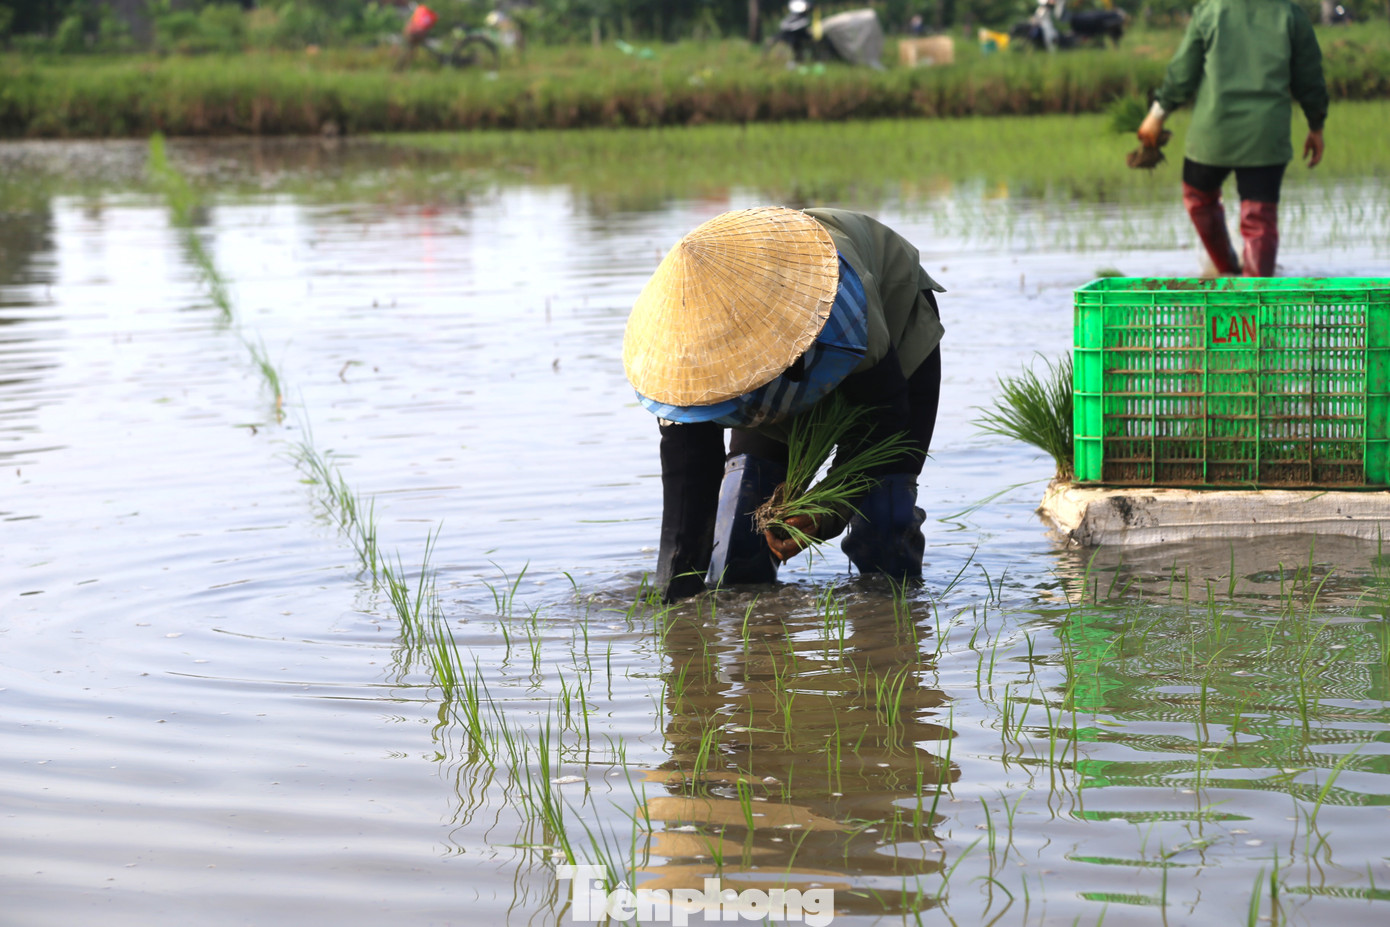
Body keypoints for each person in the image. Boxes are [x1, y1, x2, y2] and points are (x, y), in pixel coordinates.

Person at [622, 207, 945, 602]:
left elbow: (884, 417)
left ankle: (889, 638)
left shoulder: (840, 300)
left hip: (887, 340)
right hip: (778, 380)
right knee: (739, 540)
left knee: (884, 524)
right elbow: (689, 483)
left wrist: (824, 511)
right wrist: (676, 595)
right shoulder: (684, 363)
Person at [1137, 0, 1328, 277]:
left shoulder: (1211, 11)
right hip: (1265, 136)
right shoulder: (1289, 14)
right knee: (1259, 216)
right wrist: (1316, 127)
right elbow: (1310, 79)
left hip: (1213, 133)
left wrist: (1157, 114)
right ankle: (1255, 292)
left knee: (1198, 196)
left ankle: (1226, 270)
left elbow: (1183, 72)